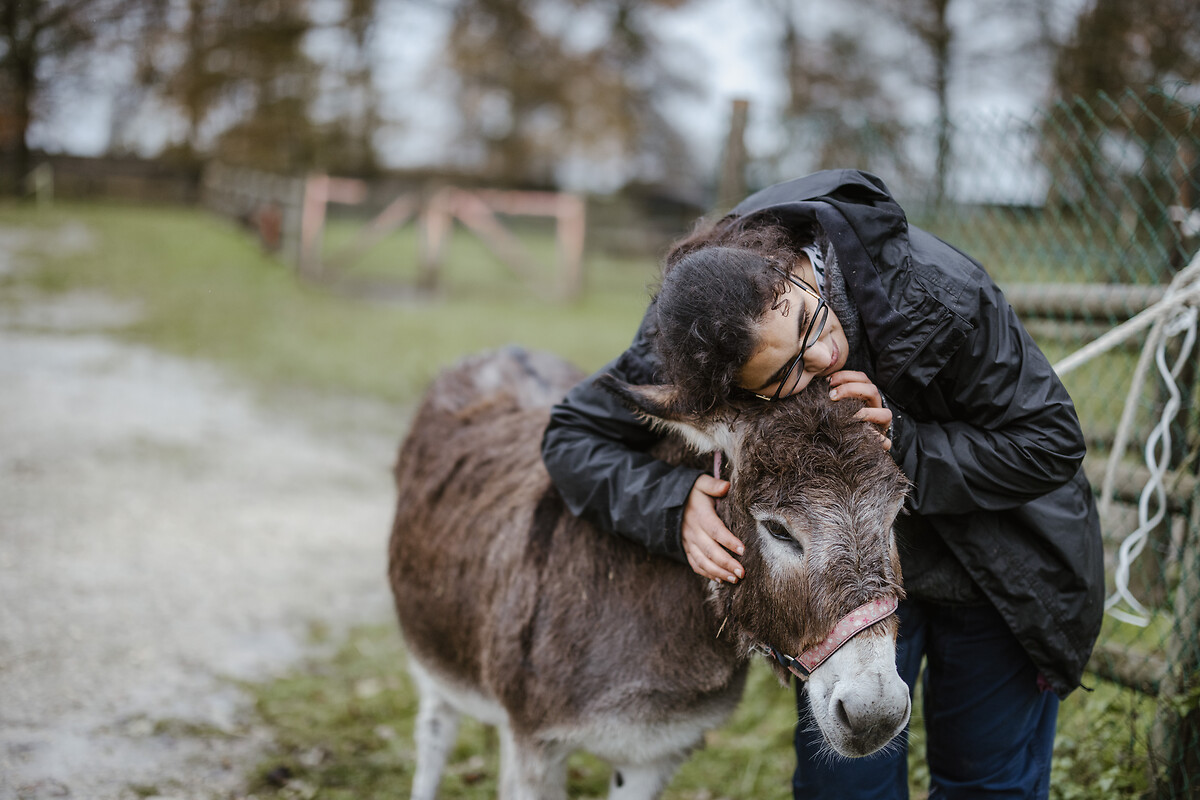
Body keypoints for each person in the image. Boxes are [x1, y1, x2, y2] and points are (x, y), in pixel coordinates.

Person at [540, 169, 1104, 799]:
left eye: (810, 320)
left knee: (987, 783)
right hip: (837, 572)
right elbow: (571, 437)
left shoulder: (938, 294)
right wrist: (674, 506)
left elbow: (1050, 442)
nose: (825, 358)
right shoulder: (702, 333)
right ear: (727, 386)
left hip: (999, 562)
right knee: (844, 790)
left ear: (790, 270)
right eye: (783, 375)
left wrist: (905, 444)